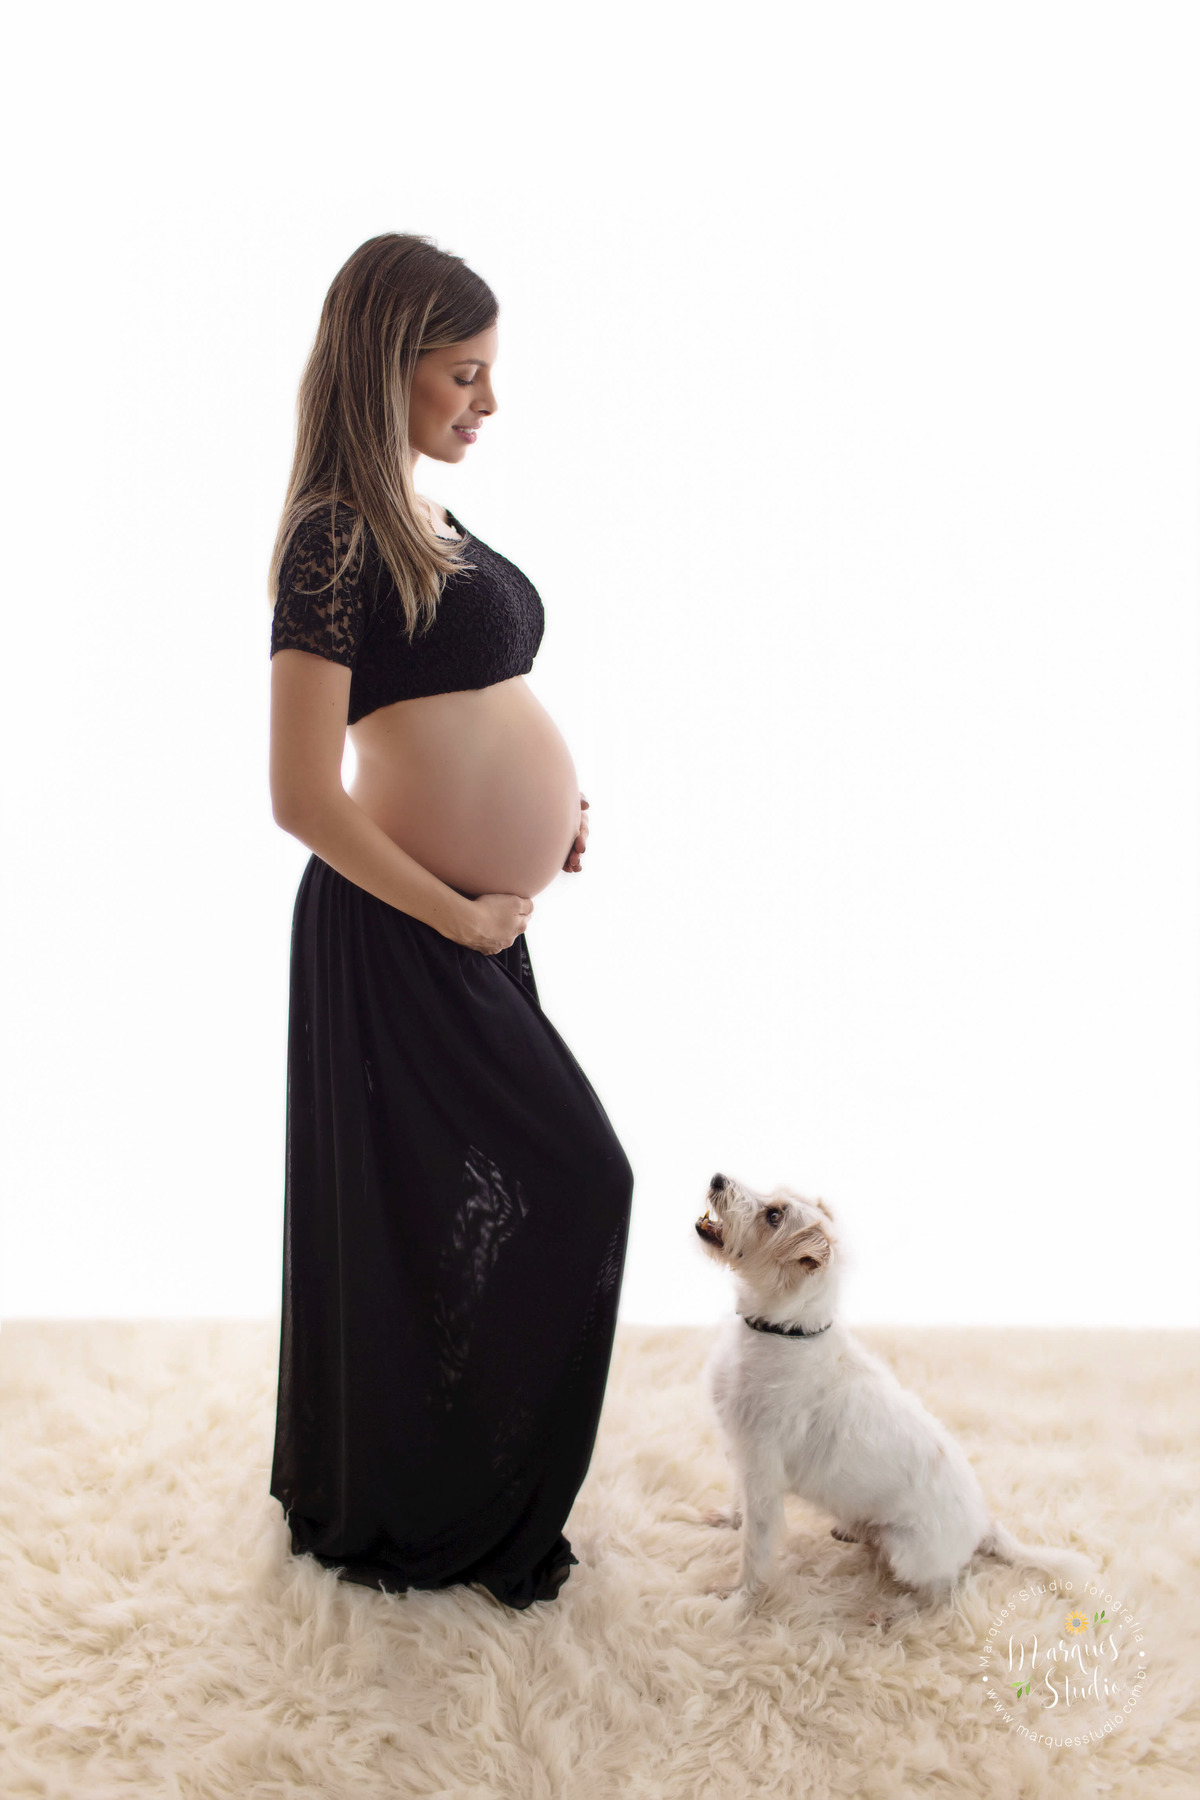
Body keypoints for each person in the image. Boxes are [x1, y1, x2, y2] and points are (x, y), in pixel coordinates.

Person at [265, 233, 635, 1609]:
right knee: (563, 1181)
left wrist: (554, 807)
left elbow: (462, 711)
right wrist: (457, 912)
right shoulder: (331, 539)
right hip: (396, 931)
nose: (487, 403)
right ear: (387, 367)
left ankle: (466, 1477)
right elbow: (302, 794)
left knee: (460, 1208)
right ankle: (437, 1502)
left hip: (471, 920)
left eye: (492, 374)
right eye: (463, 374)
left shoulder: (431, 517)